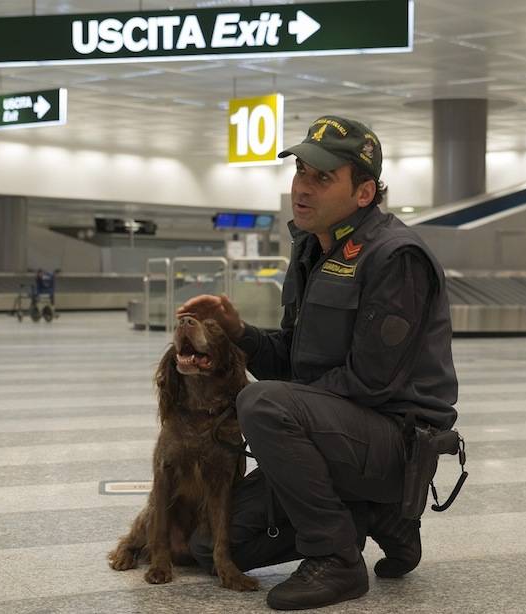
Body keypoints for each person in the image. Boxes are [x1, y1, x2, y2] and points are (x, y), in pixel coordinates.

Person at [178, 116, 458, 610]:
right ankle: (379, 516)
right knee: (209, 545)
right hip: (341, 433)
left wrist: (285, 412)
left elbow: (370, 383)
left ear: (365, 192)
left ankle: (337, 558)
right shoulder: (313, 247)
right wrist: (238, 334)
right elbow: (293, 360)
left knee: (261, 402)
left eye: (321, 178)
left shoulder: (396, 257)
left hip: (393, 440)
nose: (302, 189)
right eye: (300, 173)